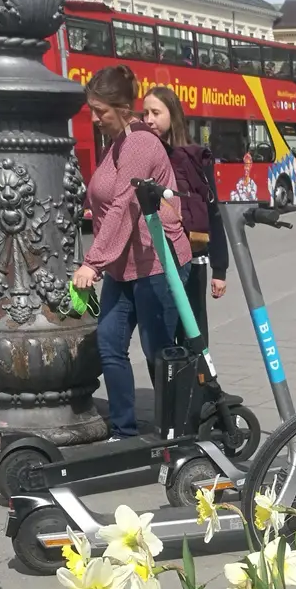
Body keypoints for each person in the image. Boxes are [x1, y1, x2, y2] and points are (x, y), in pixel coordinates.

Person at [73, 65, 192, 439]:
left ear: (123, 108)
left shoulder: (140, 144)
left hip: (156, 262)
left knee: (158, 352)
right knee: (110, 344)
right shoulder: (117, 143)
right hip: (123, 266)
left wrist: (93, 262)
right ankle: (124, 430)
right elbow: (106, 202)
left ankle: (179, 428)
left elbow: (126, 204)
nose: (94, 119)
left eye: (100, 111)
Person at [143, 87, 228, 344]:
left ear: (173, 115)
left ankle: (201, 383)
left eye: (156, 112)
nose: (148, 119)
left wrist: (220, 269)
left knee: (194, 329)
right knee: (161, 334)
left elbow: (213, 212)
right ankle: (171, 384)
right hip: (154, 261)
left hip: (194, 259)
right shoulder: (143, 156)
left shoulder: (193, 159)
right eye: (145, 113)